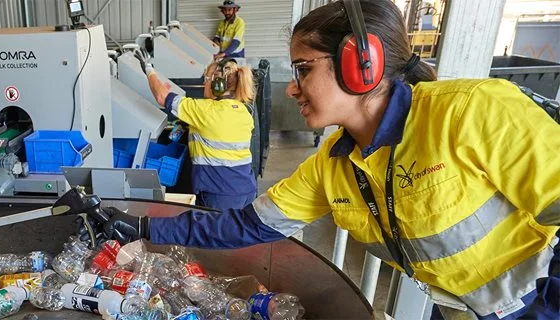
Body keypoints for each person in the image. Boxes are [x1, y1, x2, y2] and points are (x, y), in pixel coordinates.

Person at [92, 1, 560, 319]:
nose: (293, 87)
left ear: (362, 63)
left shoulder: (470, 111)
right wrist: (140, 228)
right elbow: (241, 226)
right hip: (459, 308)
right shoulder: (332, 166)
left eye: (303, 69)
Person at [134, 50, 258, 212]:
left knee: (214, 236)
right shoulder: (242, 111)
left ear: (216, 84)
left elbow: (162, 97)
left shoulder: (205, 110)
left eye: (206, 79)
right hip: (246, 189)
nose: (203, 84)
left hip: (220, 195)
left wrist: (149, 70)